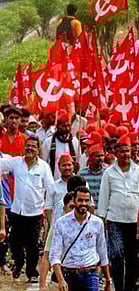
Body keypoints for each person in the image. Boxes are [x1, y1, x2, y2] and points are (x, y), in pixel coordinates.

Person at [0, 135, 53, 282]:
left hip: (35, 213)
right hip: (17, 211)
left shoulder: (44, 167)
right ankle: (18, 264)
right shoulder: (16, 163)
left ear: (38, 150)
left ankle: (31, 272)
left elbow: (50, 188)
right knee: (14, 243)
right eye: (28, 145)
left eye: (33, 146)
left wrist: (47, 208)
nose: (30, 148)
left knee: (32, 245)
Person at [97, 135, 139, 291]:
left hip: (134, 221)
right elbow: (104, 197)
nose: (126, 154)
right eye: (122, 151)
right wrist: (102, 220)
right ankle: (118, 286)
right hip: (115, 220)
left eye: (128, 151)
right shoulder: (109, 173)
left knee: (132, 257)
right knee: (116, 255)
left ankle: (129, 287)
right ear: (116, 153)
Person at [49, 186, 113, 291]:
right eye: (80, 200)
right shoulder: (61, 223)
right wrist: (61, 280)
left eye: (86, 200)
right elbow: (54, 255)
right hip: (69, 274)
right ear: (74, 201)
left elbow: (102, 252)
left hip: (91, 274)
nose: (83, 203)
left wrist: (108, 280)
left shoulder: (97, 223)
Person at [42, 110, 80, 180]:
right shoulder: (48, 142)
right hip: (53, 180)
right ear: (57, 126)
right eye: (64, 126)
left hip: (71, 181)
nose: (67, 128)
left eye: (69, 126)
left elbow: (78, 161)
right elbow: (43, 163)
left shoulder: (75, 141)